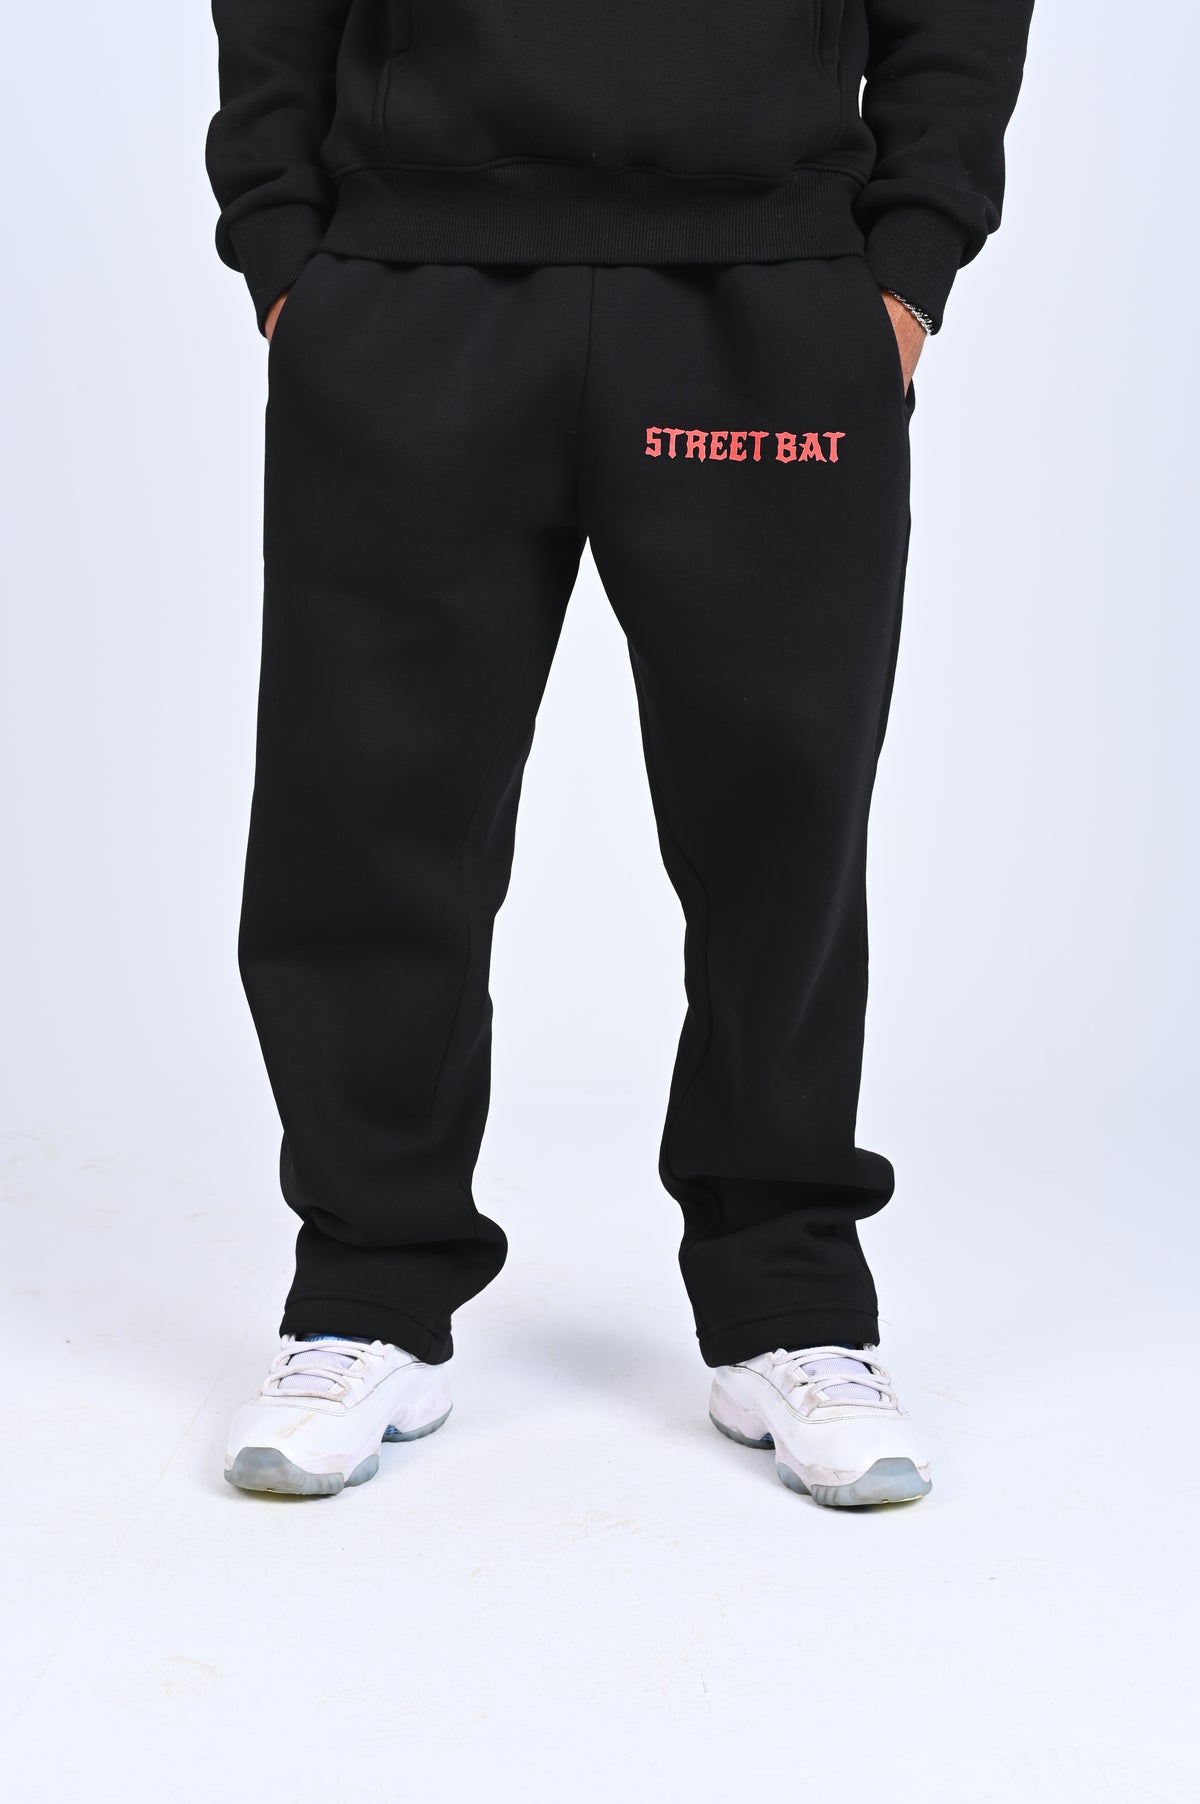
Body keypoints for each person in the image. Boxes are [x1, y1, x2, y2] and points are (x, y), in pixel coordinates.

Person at [208, 0, 1032, 1506]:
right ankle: (365, 1291)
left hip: (770, 292)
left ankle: (788, 1303)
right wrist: (282, 248)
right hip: (408, 289)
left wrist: (911, 260)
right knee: (364, 803)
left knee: (783, 818)